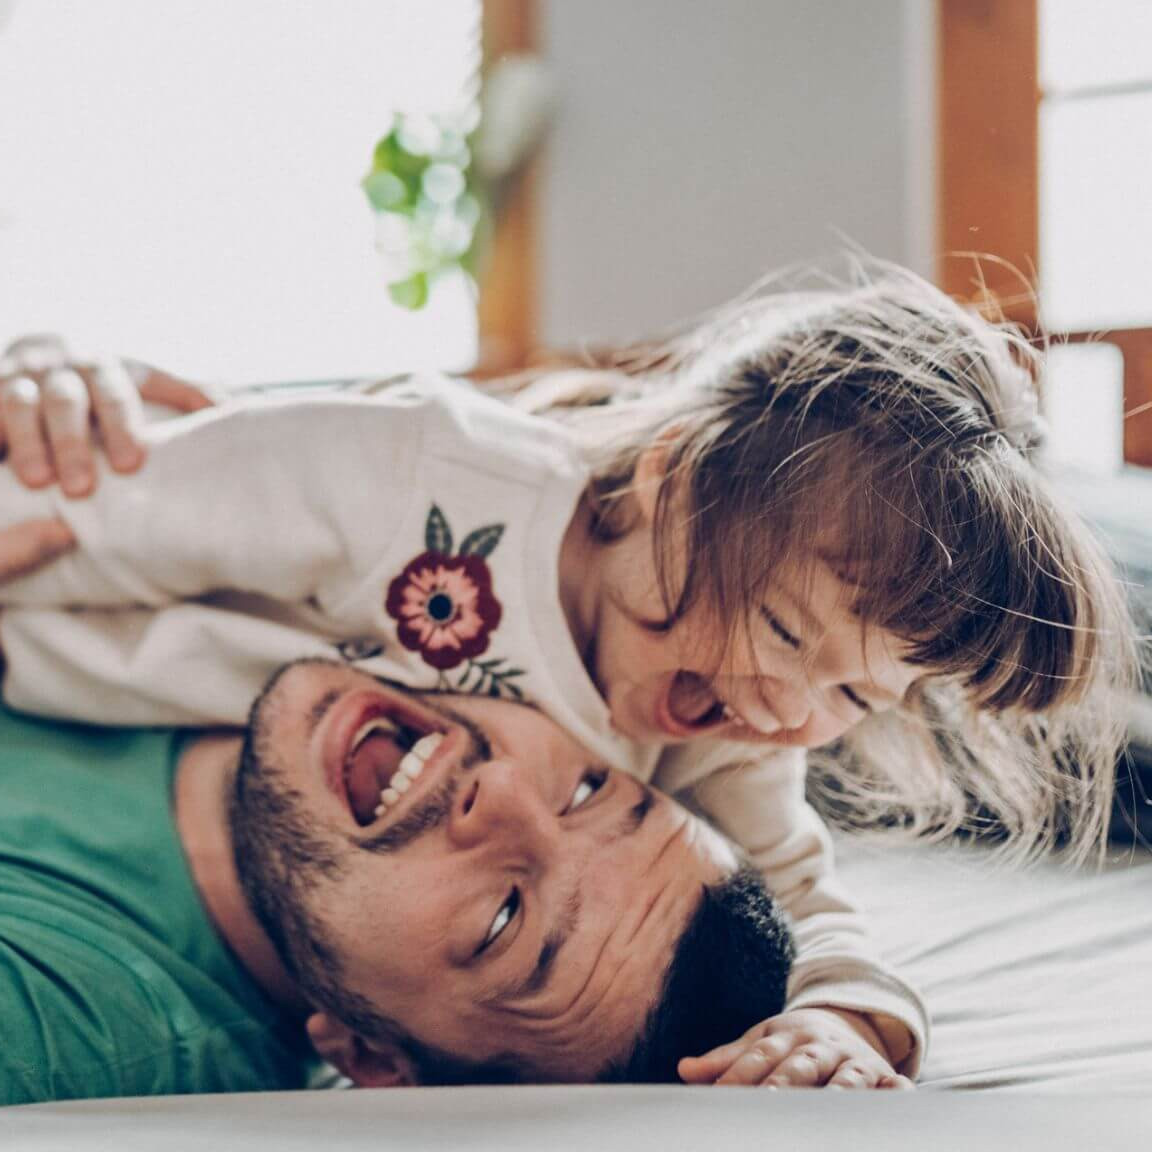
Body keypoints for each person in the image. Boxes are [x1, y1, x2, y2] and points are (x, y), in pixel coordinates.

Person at [0, 261, 1133, 1086]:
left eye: (852, 698)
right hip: (38, 633)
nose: (790, 715)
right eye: (789, 637)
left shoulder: (725, 722)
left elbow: (800, 892)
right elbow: (117, 515)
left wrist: (848, 1016)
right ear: (677, 480)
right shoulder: (426, 480)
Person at [0, 635, 800, 1104]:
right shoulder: (318, 609)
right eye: (588, 789)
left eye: (503, 921)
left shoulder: (73, 1031)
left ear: (369, 1057)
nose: (506, 791)